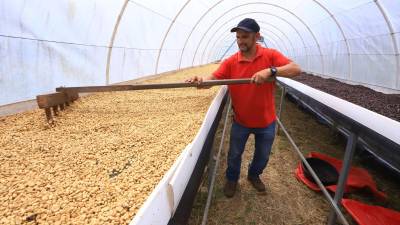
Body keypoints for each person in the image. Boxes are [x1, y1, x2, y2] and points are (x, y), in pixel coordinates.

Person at [186, 18, 301, 198]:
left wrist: (271, 71)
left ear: (257, 36)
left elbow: (295, 68)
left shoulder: (270, 55)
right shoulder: (231, 62)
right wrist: (200, 81)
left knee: (262, 156)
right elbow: (213, 79)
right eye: (238, 37)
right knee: (234, 155)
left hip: (266, 122)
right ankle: (232, 179)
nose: (241, 41)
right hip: (241, 121)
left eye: (245, 37)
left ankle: (254, 175)